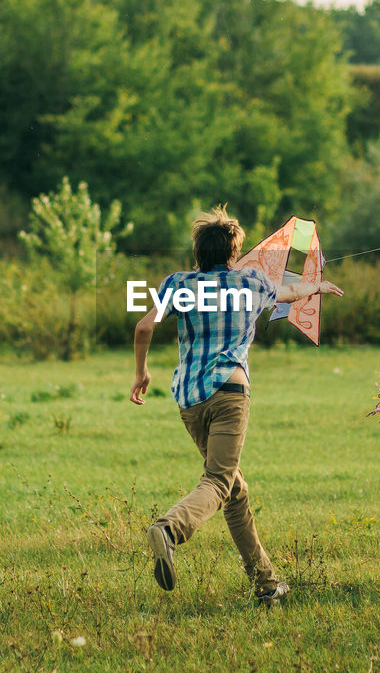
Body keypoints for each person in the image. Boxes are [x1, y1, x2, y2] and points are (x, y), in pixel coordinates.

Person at [131, 205, 344, 606]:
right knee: (218, 482)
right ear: (233, 253)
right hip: (230, 392)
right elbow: (290, 291)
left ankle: (265, 583)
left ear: (199, 252)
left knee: (235, 489)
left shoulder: (178, 283)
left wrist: (141, 373)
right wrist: (318, 287)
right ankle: (169, 529)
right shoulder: (252, 282)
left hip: (190, 400)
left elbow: (144, 326)